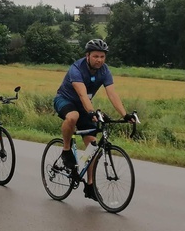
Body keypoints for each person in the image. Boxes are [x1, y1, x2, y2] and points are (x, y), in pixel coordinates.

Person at [53, 39, 135, 200]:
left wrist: (125, 115)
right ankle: (66, 150)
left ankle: (90, 185)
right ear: (88, 56)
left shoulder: (104, 71)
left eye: (102, 57)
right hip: (65, 100)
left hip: (85, 106)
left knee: (92, 146)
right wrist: (91, 112)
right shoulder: (76, 69)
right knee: (73, 116)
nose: (99, 60)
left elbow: (112, 94)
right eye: (96, 56)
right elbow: (82, 94)